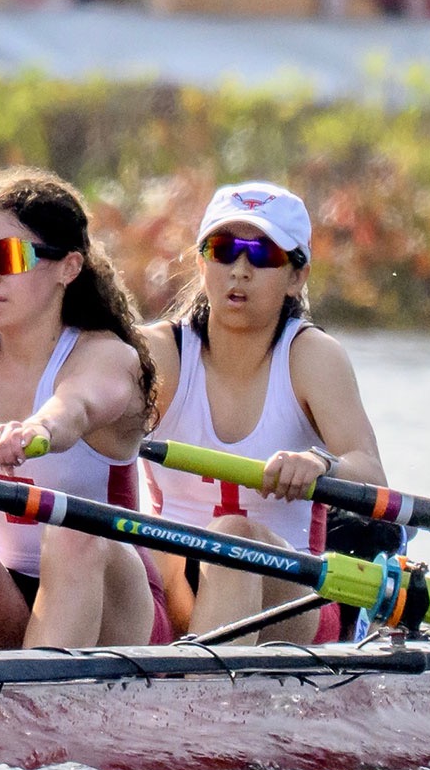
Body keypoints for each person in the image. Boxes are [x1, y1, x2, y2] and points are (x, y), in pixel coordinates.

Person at [139, 180, 390, 643]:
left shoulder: (312, 357)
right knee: (122, 547)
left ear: (296, 277)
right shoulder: (160, 351)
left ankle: (204, 683)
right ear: (202, 263)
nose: (239, 270)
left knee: (232, 535)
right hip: (173, 582)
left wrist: (321, 464)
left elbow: (371, 473)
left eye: (262, 255)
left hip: (292, 595)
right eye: (223, 250)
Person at [0, 166, 171, 650]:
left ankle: (32, 693)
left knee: (71, 532)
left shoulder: (106, 354)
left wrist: (39, 429)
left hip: (114, 598)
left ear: (68, 267)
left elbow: (76, 406)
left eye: (7, 256)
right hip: (9, 592)